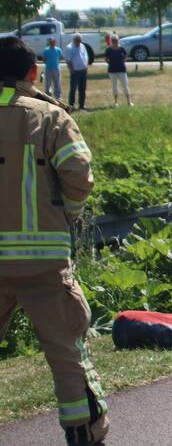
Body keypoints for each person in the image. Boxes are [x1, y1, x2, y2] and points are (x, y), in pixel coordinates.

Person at [0, 37, 110, 444]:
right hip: (43, 260)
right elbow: (79, 174)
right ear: (33, 73)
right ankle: (84, 432)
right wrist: (67, 215)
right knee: (67, 352)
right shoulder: (50, 117)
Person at [104, 36, 132, 107]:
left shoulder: (121, 49)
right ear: (111, 41)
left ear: (118, 41)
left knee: (125, 85)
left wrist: (122, 61)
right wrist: (110, 64)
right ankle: (116, 102)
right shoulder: (108, 49)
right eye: (113, 41)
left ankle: (129, 101)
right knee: (114, 86)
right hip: (112, 71)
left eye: (116, 40)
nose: (115, 42)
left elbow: (125, 56)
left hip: (122, 70)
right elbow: (106, 59)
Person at [65, 34, 90, 111]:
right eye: (78, 41)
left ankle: (81, 105)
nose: (79, 43)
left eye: (80, 41)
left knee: (82, 89)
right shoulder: (69, 47)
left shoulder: (82, 46)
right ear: (74, 40)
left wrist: (86, 65)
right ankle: (71, 105)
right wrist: (72, 70)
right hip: (75, 71)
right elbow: (68, 60)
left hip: (83, 70)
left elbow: (85, 56)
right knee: (73, 89)